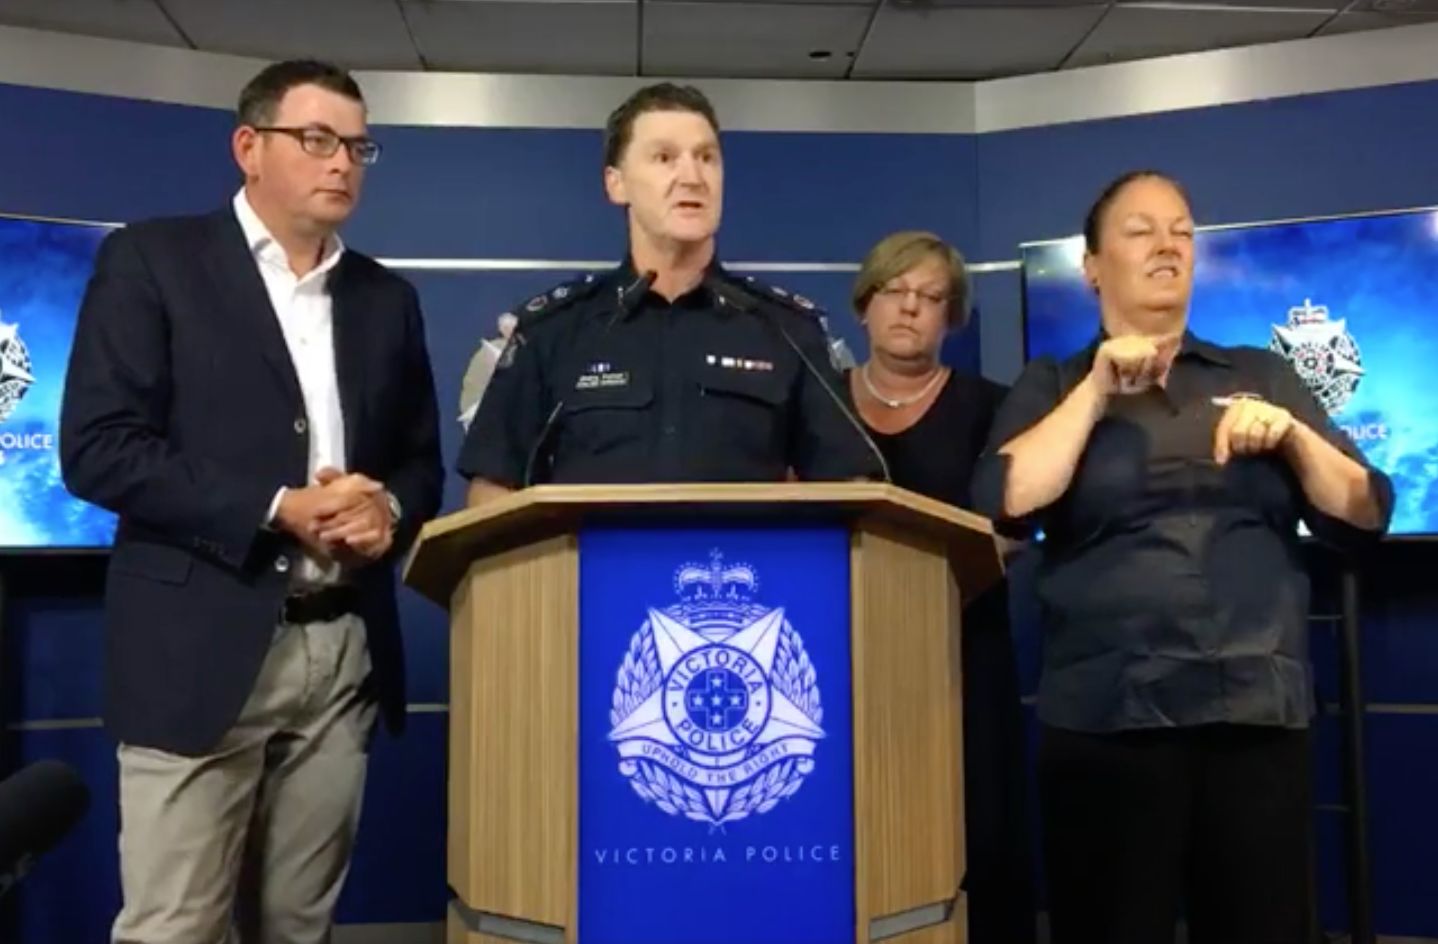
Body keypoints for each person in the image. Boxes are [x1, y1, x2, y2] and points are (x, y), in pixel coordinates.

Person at [60, 59, 443, 944]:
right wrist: (275, 505)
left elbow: (421, 463)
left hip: (341, 651)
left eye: (357, 145)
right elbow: (98, 449)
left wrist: (386, 507)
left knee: (296, 928)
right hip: (198, 650)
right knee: (176, 927)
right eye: (316, 140)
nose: (341, 162)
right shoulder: (153, 261)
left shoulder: (388, 299)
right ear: (248, 147)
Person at [971, 170, 1392, 944]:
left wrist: (1295, 439)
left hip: (1256, 720)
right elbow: (1004, 500)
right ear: (1093, 265)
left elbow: (1366, 514)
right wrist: (1097, 392)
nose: (1167, 245)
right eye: (1140, 230)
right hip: (1109, 727)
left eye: (1183, 231)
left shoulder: (1262, 376)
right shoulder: (1054, 382)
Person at [457, 82, 882, 498]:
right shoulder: (553, 331)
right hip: (589, 569)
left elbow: (851, 488)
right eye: (664, 157)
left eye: (707, 158)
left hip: (738, 570)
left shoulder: (788, 331)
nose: (693, 176)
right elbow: (493, 488)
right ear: (615, 183)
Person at [847, 231, 1036, 944]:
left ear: (950, 319)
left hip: (964, 650)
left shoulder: (993, 406)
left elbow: (1019, 525)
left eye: (931, 298)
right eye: (896, 292)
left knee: (977, 827)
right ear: (866, 304)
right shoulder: (820, 407)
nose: (910, 309)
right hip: (846, 655)